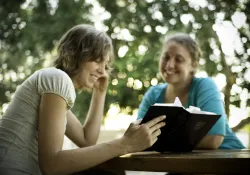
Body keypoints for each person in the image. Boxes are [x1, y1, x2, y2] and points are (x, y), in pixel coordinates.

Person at [0, 24, 166, 175]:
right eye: (97, 60)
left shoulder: (54, 86)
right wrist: (125, 144)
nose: (102, 71)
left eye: (105, 64)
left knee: (109, 169)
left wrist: (100, 92)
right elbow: (51, 165)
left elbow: (87, 140)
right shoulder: (57, 78)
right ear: (75, 55)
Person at [137, 33, 245, 150]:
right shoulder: (153, 94)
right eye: (166, 57)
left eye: (179, 60)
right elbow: (139, 137)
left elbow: (213, 139)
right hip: (182, 164)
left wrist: (161, 142)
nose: (170, 65)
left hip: (229, 159)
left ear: (193, 65)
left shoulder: (204, 86)